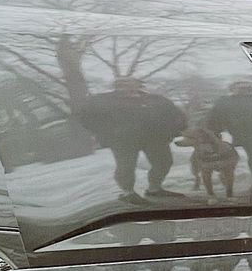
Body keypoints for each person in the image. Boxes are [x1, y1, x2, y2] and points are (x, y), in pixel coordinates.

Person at [77, 76, 186, 204]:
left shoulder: (156, 100)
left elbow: (175, 114)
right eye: (120, 83)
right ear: (115, 86)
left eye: (129, 82)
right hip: (123, 140)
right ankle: (128, 193)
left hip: (155, 138)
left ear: (139, 84)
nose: (124, 85)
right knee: (126, 167)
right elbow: (85, 117)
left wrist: (174, 130)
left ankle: (154, 188)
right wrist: (106, 133)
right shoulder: (102, 100)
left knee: (164, 162)